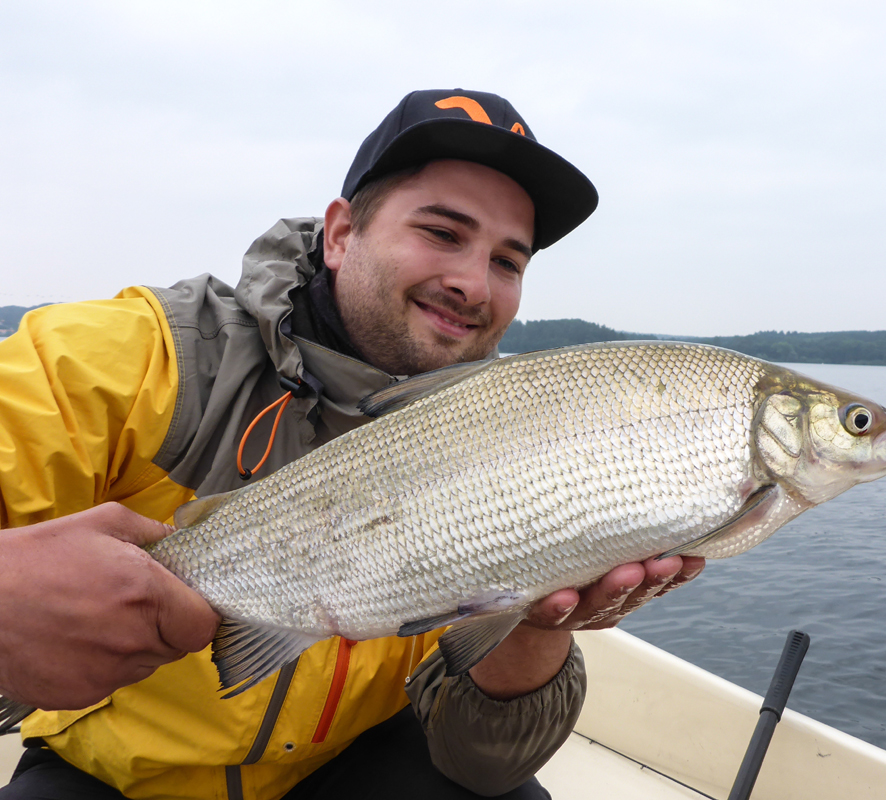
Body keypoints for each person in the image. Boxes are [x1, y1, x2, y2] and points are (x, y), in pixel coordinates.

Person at [0, 89, 705, 800]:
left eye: (508, 262)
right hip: (114, 778)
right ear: (340, 234)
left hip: (347, 763)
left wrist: (537, 619)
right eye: (442, 232)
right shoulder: (147, 355)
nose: (471, 283)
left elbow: (482, 766)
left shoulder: (517, 441)